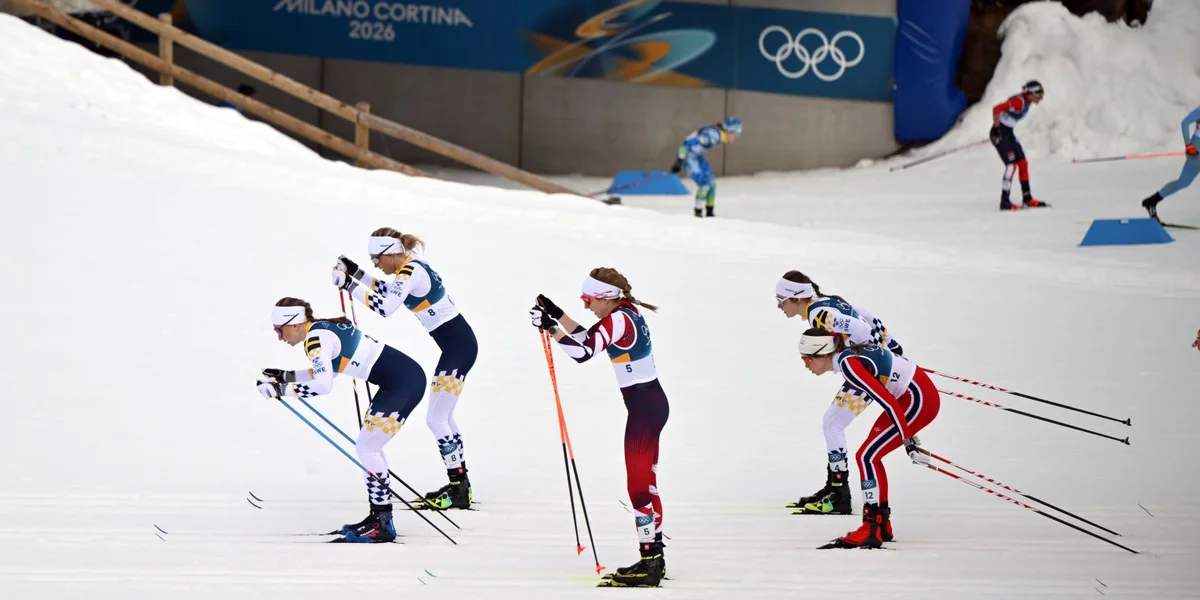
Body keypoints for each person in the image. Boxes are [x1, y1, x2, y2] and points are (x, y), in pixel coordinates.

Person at [530, 268, 669, 588]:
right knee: (646, 485)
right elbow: (587, 337)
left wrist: (550, 328)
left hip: (645, 410)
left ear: (606, 297)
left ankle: (649, 564)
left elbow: (582, 352)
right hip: (650, 405)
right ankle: (654, 559)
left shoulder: (618, 319)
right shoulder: (623, 313)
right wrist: (557, 314)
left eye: (588, 299)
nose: (586, 305)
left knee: (638, 487)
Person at [257, 297, 426, 543]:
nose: (279, 337)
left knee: (367, 447)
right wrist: (284, 376)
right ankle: (378, 516)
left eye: (279, 330)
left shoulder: (315, 341)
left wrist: (281, 391)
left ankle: (383, 522)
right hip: (403, 381)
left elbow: (323, 385)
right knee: (370, 447)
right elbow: (327, 373)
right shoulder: (322, 329)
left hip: (402, 385)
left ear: (293, 323)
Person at [333, 227, 479, 510]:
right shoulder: (410, 270)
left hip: (458, 349)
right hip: (459, 346)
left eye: (377, 259)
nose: (376, 265)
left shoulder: (410, 273)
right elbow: (390, 292)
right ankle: (460, 485)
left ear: (391, 253)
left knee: (437, 419)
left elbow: (386, 307)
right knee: (442, 417)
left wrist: (349, 286)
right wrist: (357, 273)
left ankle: (459, 486)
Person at [795, 328, 941, 549]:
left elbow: (888, 401)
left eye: (807, 359)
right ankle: (881, 525)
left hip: (917, 399)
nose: (805, 365)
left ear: (822, 353)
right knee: (869, 456)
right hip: (910, 396)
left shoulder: (849, 365)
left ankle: (872, 527)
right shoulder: (848, 358)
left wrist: (908, 441)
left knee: (867, 457)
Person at [775, 270, 903, 515]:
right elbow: (865, 314)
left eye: (782, 300)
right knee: (832, 423)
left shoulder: (819, 313)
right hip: (872, 366)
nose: (779, 307)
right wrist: (891, 345)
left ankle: (839, 495)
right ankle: (835, 488)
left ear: (797, 298)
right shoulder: (825, 303)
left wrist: (861, 351)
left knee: (832, 424)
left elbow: (862, 330)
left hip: (870, 372)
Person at [990, 80, 1048, 211]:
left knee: (1023, 163)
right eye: (1039, 96)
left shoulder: (1026, 101)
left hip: (1009, 134)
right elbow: (996, 108)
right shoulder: (1019, 102)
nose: (1040, 99)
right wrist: (996, 128)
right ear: (1031, 94)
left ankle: (1027, 198)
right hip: (1001, 134)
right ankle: (1004, 201)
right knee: (1011, 166)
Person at [671, 116, 742, 218]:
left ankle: (710, 213)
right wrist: (679, 160)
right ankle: (698, 214)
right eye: (736, 133)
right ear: (728, 131)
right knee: (705, 184)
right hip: (689, 156)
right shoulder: (712, 137)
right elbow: (687, 143)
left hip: (697, 155)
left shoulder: (719, 135)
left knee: (712, 184)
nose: (737, 137)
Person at [1141, 105, 1200, 222]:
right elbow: (1185, 123)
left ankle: (1152, 201)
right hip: (1196, 151)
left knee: (1183, 182)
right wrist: (1188, 145)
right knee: (1183, 182)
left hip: (1194, 151)